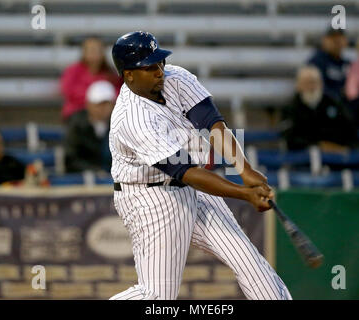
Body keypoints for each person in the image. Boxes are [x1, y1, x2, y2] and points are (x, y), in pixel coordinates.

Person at [108, 31, 291, 300]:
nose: (160, 71)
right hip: (150, 198)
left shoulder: (176, 79)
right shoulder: (132, 118)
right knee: (157, 297)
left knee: (251, 264)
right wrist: (244, 193)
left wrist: (245, 170)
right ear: (129, 75)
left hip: (192, 186)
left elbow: (212, 123)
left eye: (160, 63)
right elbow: (186, 172)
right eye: (150, 67)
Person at [282, 66, 358, 152]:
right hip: (303, 156)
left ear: (321, 83)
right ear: (298, 85)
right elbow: (288, 136)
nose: (311, 87)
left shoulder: (333, 103)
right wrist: (317, 146)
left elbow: (349, 127)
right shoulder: (291, 107)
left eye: (314, 82)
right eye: (307, 83)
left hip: (336, 155)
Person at [60, 36, 123, 121]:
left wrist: (106, 103)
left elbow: (120, 92)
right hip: (79, 112)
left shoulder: (111, 73)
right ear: (84, 52)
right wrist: (94, 102)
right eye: (92, 50)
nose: (95, 54)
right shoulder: (72, 71)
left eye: (99, 50)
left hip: (107, 113)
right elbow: (68, 91)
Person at [64, 80, 115, 173]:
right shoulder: (77, 125)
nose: (102, 109)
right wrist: (95, 171)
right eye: (99, 104)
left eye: (106, 104)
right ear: (89, 104)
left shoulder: (118, 124)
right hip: (82, 180)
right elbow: (71, 158)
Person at [307, 27, 350, 102]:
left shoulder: (348, 64)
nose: (336, 41)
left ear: (345, 41)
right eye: (333, 38)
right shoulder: (316, 62)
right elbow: (316, 88)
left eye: (339, 38)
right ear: (324, 40)